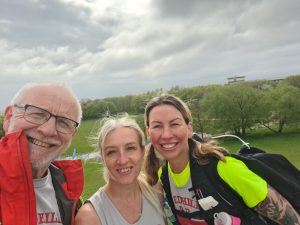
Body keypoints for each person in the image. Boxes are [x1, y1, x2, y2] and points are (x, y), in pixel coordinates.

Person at [144, 93, 300, 225]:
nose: (166, 135)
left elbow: (290, 219)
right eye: (157, 126)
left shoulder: (224, 167)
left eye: (174, 124)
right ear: (148, 133)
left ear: (189, 128)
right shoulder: (162, 177)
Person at [0, 83, 84, 225]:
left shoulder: (71, 195)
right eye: (37, 114)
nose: (48, 130)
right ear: (9, 118)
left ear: (72, 134)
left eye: (63, 122)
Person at [75, 116, 166, 225]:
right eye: (112, 152)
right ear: (102, 158)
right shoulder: (89, 216)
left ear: (142, 152)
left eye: (130, 148)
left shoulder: (156, 190)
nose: (122, 160)